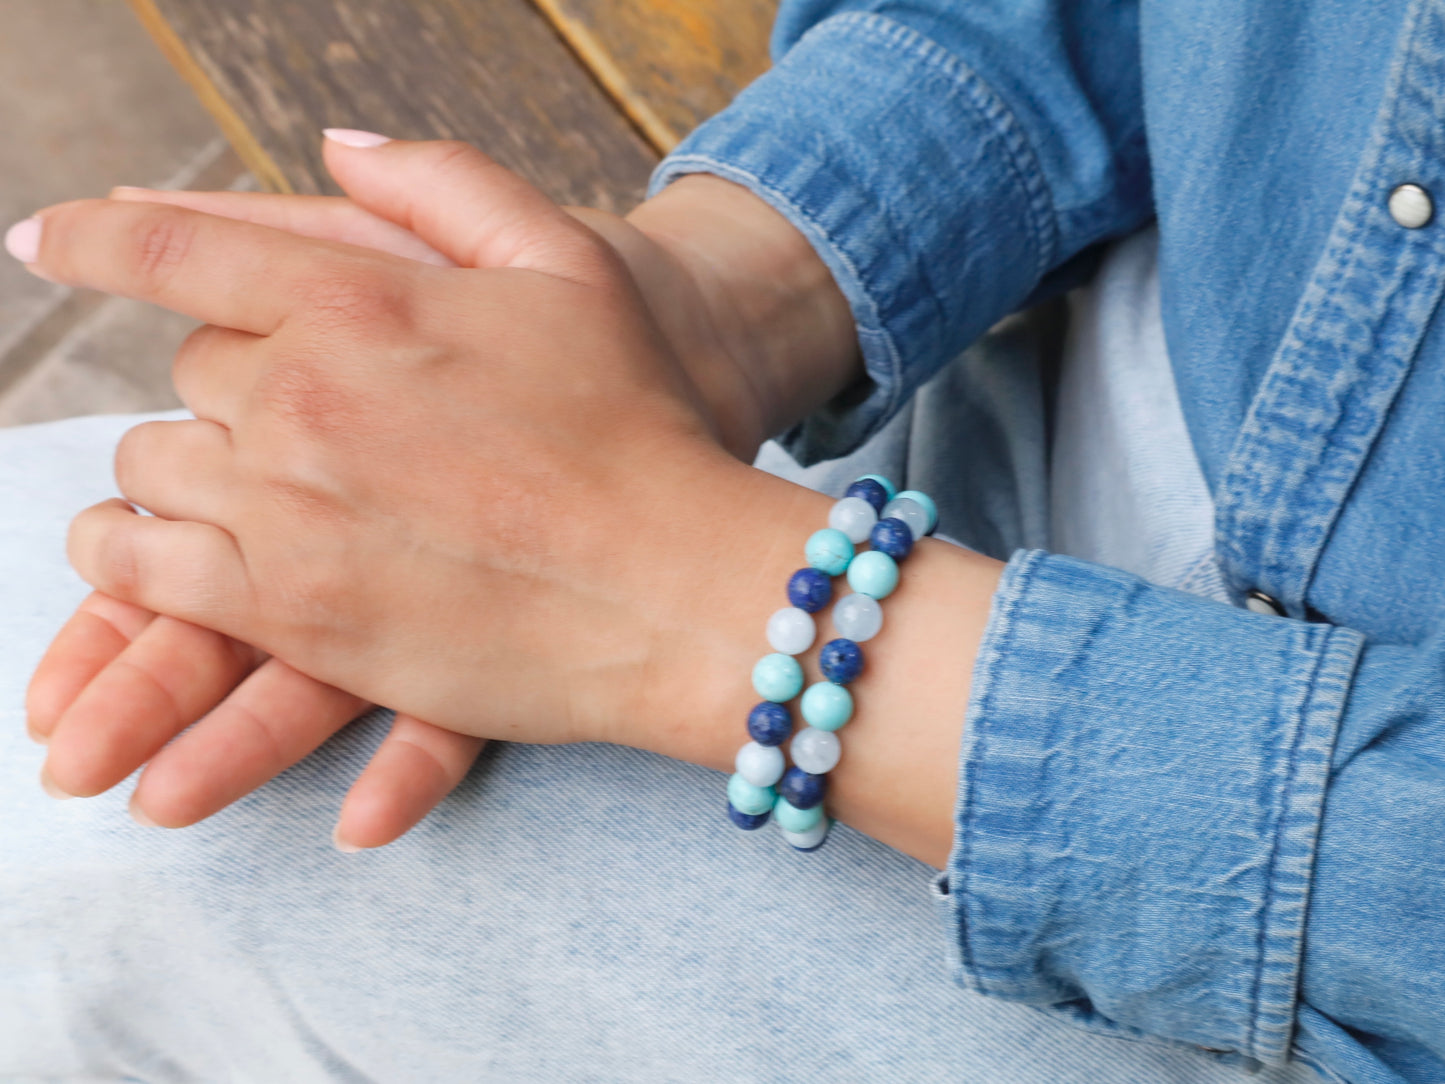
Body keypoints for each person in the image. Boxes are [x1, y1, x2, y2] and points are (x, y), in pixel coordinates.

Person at [2, 0, 1442, 1079]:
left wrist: (680, 588)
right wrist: (716, 296)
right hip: (1032, 400)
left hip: (1293, 933)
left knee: (100, 851)